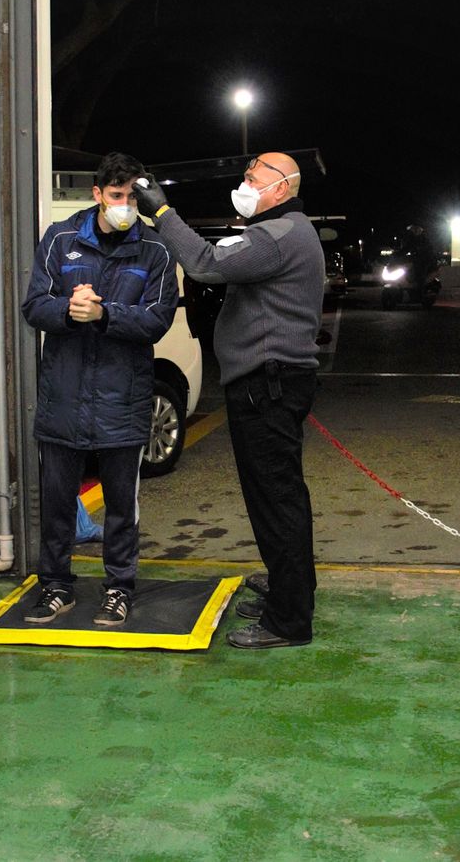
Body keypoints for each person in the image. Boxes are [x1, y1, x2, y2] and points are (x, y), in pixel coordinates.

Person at [133, 152, 324, 649]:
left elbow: (204, 264)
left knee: (275, 499)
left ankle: (289, 621)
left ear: (280, 188)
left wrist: (162, 213)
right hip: (271, 382)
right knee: (277, 496)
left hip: (267, 386)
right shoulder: (285, 231)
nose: (244, 183)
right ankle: (290, 589)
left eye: (253, 177)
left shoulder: (277, 236)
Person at [20, 153, 177, 627]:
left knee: (121, 508)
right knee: (56, 504)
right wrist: (69, 311)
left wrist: (105, 314)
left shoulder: (155, 249)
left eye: (133, 197)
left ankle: (119, 589)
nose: (125, 205)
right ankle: (55, 586)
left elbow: (157, 319)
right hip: (63, 399)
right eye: (116, 195)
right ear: (97, 194)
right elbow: (34, 305)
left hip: (122, 401)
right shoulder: (60, 238)